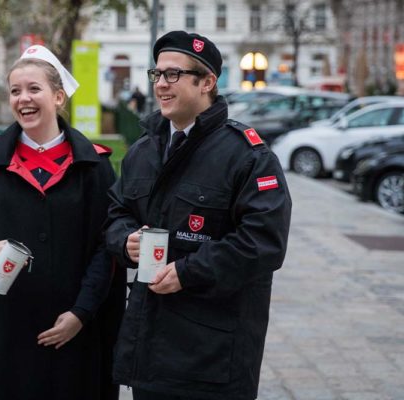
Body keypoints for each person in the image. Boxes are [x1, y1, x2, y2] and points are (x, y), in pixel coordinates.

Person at [106, 31, 292, 400]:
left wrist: (188, 272)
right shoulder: (143, 151)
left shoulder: (248, 156)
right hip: (150, 349)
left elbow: (264, 241)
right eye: (156, 75)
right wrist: (124, 240)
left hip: (213, 356)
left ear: (207, 82)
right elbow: (117, 212)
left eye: (173, 74)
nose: (161, 84)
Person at [0, 44, 126, 400]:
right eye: (15, 90)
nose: (24, 98)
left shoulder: (95, 167)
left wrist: (81, 314)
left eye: (34, 89)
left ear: (58, 96)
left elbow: (107, 248)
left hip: (68, 333)